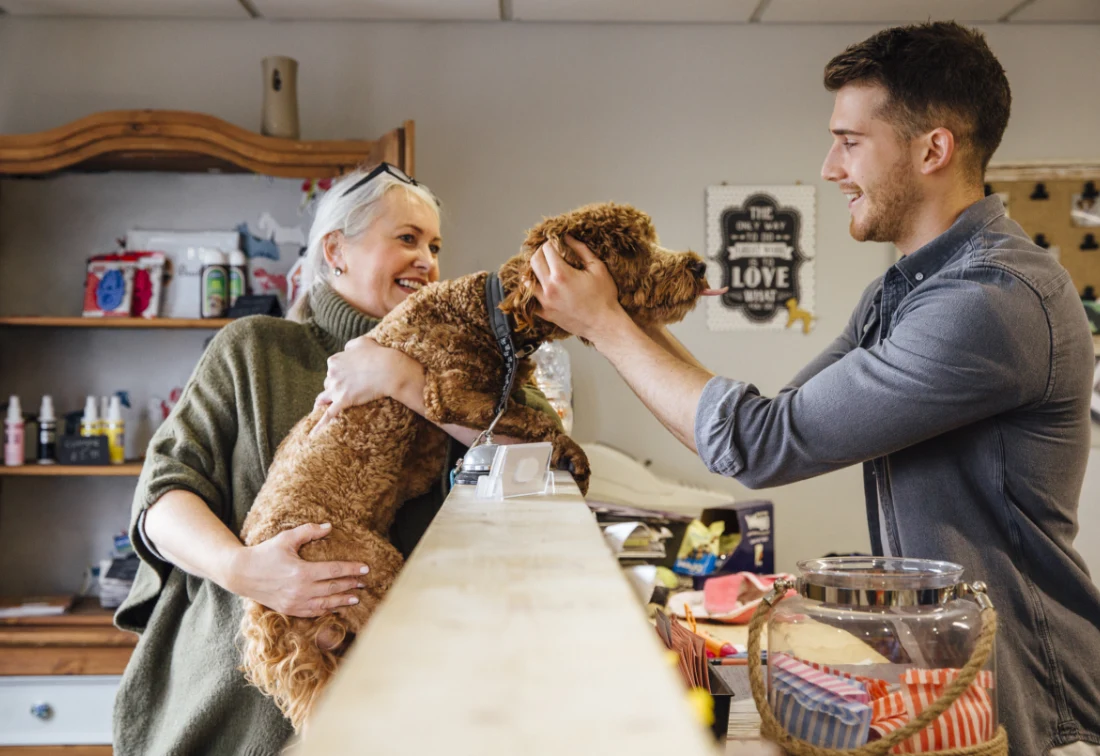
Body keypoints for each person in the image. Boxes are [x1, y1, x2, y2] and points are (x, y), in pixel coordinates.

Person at [527, 22, 1100, 755]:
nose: (831, 167)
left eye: (850, 140)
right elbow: (754, 429)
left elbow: (756, 444)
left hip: (1040, 709)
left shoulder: (990, 302)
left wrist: (608, 326)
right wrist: (624, 317)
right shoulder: (905, 292)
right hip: (956, 689)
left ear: (933, 149)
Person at [113, 164, 560, 755]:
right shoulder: (255, 351)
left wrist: (404, 380)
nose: (427, 259)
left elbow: (546, 463)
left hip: (413, 702)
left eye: (434, 245)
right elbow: (162, 499)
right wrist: (245, 570)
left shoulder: (466, 368)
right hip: (240, 701)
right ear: (336, 250)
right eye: (406, 238)